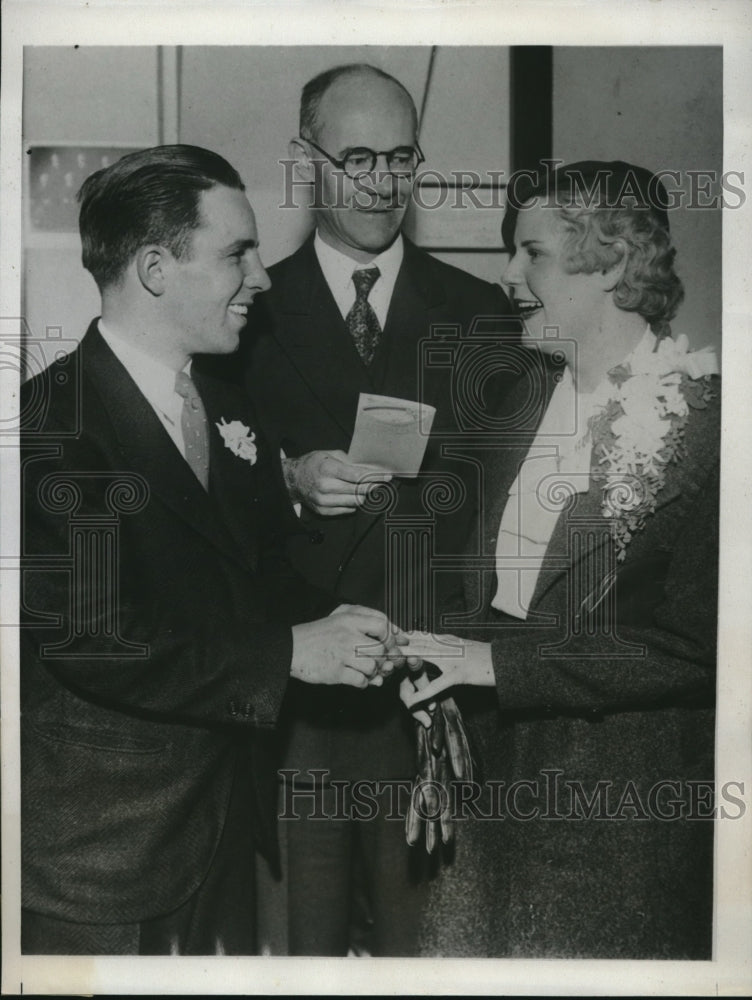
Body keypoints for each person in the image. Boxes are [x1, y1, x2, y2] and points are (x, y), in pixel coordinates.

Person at [20, 144, 408, 955]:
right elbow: (95, 636)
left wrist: (346, 623)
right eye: (238, 252)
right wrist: (293, 652)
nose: (262, 278)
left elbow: (253, 568)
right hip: (103, 854)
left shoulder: (229, 405)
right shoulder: (52, 428)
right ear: (156, 268)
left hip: (221, 826)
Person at [402, 160, 720, 958]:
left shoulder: (709, 429)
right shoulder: (519, 399)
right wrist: (438, 663)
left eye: (531, 253)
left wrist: (497, 668)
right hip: (481, 793)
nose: (507, 276)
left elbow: (698, 645)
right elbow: (480, 588)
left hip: (613, 817)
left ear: (612, 260)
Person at [242, 63, 518, 955]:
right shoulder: (244, 314)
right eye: (356, 157)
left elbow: (504, 520)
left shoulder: (483, 315)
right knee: (300, 956)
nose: (381, 184)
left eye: (401, 159)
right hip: (294, 710)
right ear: (305, 160)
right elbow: (199, 498)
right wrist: (287, 480)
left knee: (426, 956)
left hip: (429, 703)